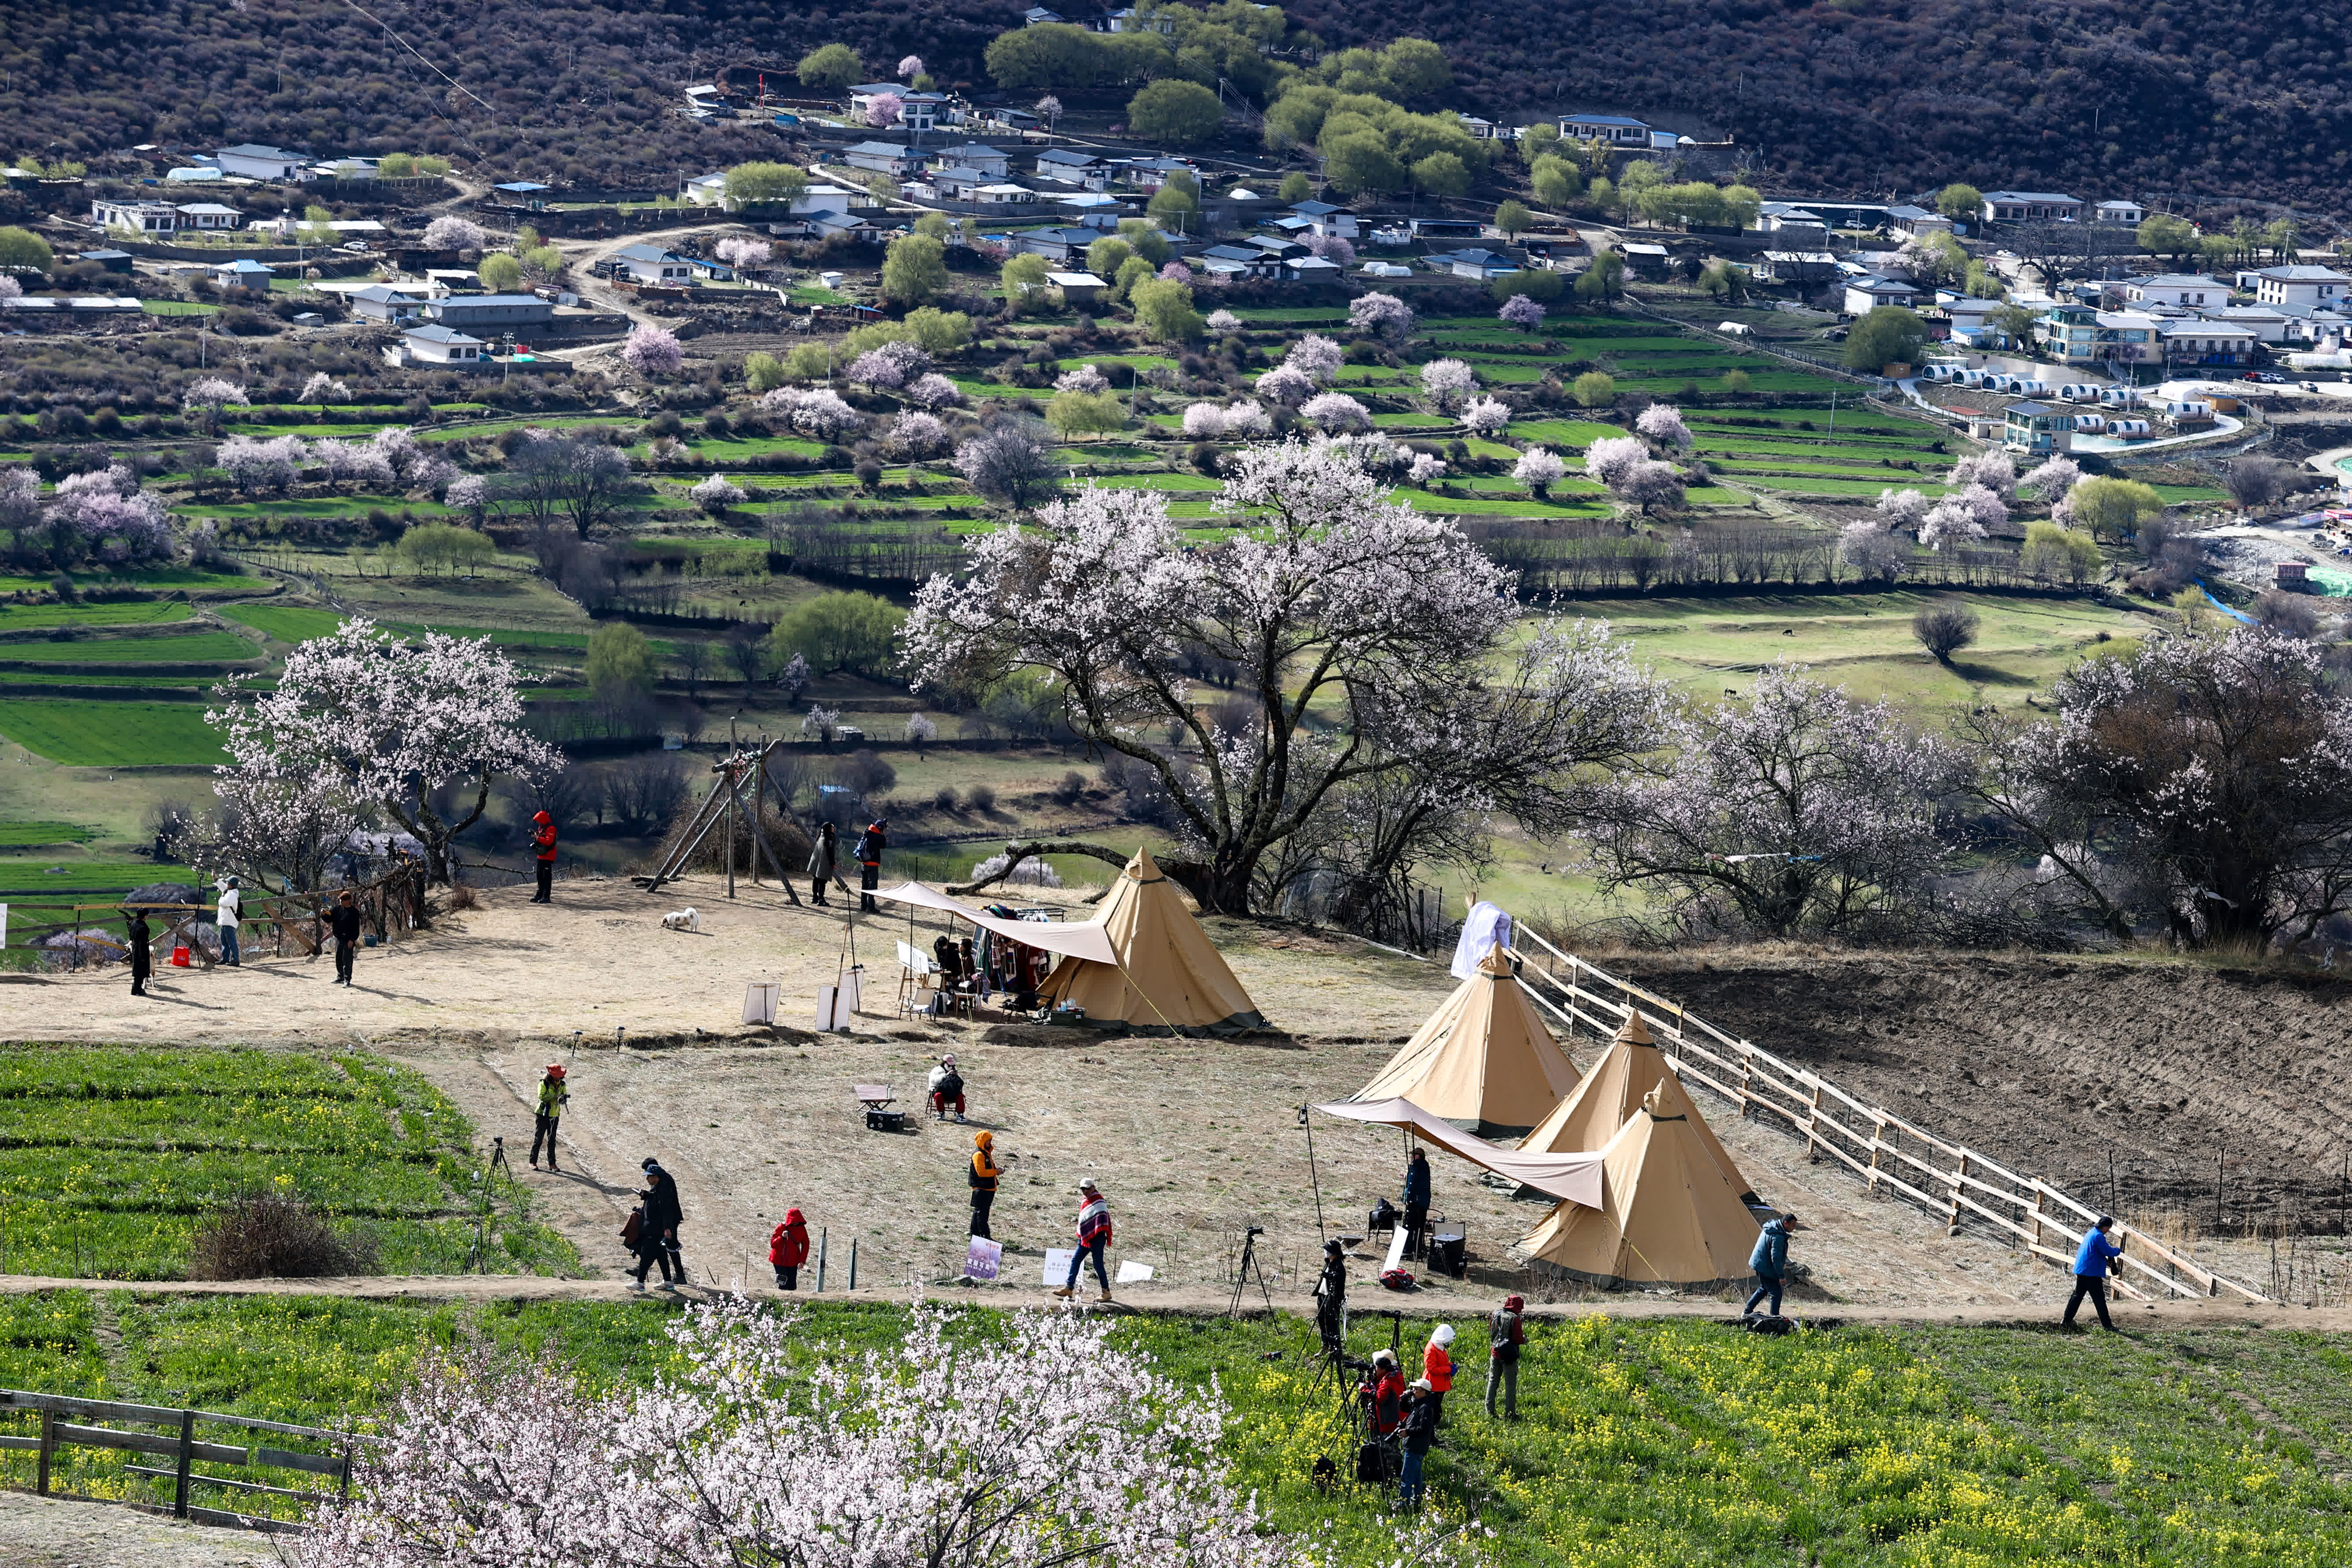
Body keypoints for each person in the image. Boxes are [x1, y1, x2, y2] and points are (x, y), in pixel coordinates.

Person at [1052, 1178, 1113, 1302]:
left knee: (1098, 1265)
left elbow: (1102, 1220)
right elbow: (1085, 1219)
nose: (1085, 1191)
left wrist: (1094, 1232)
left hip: (1097, 1238)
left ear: (1093, 1188)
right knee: (1076, 1260)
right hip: (1086, 1238)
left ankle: (1106, 1291)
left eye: (1087, 1188)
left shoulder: (1100, 1201)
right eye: (1083, 1189)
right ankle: (1069, 1288)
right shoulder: (1085, 1200)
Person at [2066, 1216, 2125, 1332]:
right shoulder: (2098, 1236)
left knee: (2077, 1297)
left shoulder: (2091, 1233)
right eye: (2109, 1228)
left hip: (2083, 1270)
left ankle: (2066, 1321)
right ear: (2107, 1227)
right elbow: (2108, 1251)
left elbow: (2096, 1252)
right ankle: (2107, 1326)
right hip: (2091, 1273)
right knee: (2100, 1300)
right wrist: (2118, 1250)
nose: (2108, 1231)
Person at [632, 1157, 684, 1291]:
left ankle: (679, 1275)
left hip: (666, 1221)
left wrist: (667, 1227)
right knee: (662, 1251)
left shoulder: (664, 1182)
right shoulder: (662, 1180)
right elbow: (657, 1197)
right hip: (663, 1222)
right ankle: (668, 1280)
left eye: (648, 1174)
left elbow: (665, 1205)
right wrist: (647, 1195)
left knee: (669, 1245)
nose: (647, 1179)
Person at [1745, 1212, 1805, 1318]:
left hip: (1760, 1264)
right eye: (1793, 1226)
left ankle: (1747, 1311)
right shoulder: (1778, 1237)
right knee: (1776, 1293)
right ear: (1785, 1223)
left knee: (1764, 1289)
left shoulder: (1773, 1227)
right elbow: (1776, 1259)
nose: (1794, 1228)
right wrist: (1781, 1276)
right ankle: (1774, 1318)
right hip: (1765, 1266)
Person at [1397, 1378, 1439, 1511]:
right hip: (1415, 1446)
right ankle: (1416, 1502)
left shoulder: (1425, 1408)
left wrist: (1408, 1432)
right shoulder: (1419, 1404)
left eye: (1417, 1390)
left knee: (1407, 1476)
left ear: (1424, 1392)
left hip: (1415, 1447)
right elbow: (1403, 1407)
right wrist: (1405, 1397)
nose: (1414, 1391)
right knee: (1415, 1477)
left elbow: (1425, 1429)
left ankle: (1403, 1504)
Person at [1486, 1293, 1526, 1420]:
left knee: (1493, 1382)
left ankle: (1490, 1411)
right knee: (1510, 1385)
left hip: (1495, 1352)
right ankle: (1510, 1414)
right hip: (1509, 1356)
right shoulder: (1515, 1319)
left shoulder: (1495, 1314)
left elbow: (1491, 1331)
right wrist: (1525, 1340)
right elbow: (1518, 1339)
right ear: (1517, 1307)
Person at [1313, 1238, 1348, 1360]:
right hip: (1322, 1296)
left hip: (1332, 1299)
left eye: (1327, 1250)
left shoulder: (1339, 1266)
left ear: (1333, 1252)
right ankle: (1326, 1345)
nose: (1325, 1252)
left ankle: (1336, 1350)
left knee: (1332, 1323)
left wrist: (1330, 1276)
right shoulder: (1328, 1262)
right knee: (1322, 1322)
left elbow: (1339, 1282)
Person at [530, 1063, 568, 1170]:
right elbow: (542, 1097)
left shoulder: (562, 1085)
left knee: (552, 1141)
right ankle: (533, 1162)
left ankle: (552, 1164)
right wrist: (555, 1097)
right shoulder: (544, 1084)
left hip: (555, 1115)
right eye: (558, 1075)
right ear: (552, 1075)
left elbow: (564, 1097)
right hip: (542, 1115)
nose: (559, 1077)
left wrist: (563, 1098)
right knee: (539, 1139)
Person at [969, 1129, 1001, 1240]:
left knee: (979, 1212)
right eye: (988, 1141)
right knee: (982, 1214)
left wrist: (996, 1171)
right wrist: (996, 1172)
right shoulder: (979, 1155)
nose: (990, 1144)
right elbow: (981, 1173)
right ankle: (984, 1237)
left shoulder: (986, 1154)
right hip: (982, 1189)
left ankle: (975, 1235)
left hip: (987, 1188)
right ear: (983, 1141)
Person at [1401, 1148, 1432, 1263]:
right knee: (1419, 1227)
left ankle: (1408, 1250)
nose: (1411, 1157)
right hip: (1423, 1202)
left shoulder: (1416, 1165)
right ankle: (1417, 1250)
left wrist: (1407, 1199)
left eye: (1413, 1155)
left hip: (1415, 1202)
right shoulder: (1425, 1166)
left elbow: (1413, 1184)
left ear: (1418, 1156)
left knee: (1409, 1226)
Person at [769, 1206, 810, 1290]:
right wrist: (782, 1237)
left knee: (792, 1286)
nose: (795, 1224)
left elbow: (806, 1244)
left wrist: (802, 1261)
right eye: (794, 1221)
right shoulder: (782, 1227)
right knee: (783, 1285)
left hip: (793, 1262)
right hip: (780, 1262)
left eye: (797, 1221)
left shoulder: (802, 1229)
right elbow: (773, 1244)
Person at [1422, 1323, 1454, 1425]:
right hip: (1434, 1385)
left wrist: (1451, 1365)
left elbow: (1441, 1362)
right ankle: (1431, 1434)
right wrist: (1449, 1369)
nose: (1448, 1345)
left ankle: (1432, 1432)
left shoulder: (1439, 1347)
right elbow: (1432, 1369)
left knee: (1437, 1408)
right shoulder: (1431, 1349)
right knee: (1434, 1411)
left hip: (1440, 1384)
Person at [328, 888, 361, 986]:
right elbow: (329, 918)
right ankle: (340, 977)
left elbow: (356, 928)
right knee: (339, 958)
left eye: (342, 900)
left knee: (347, 960)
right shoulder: (338, 909)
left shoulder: (354, 912)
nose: (340, 902)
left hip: (349, 939)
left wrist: (353, 940)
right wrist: (324, 914)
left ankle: (347, 980)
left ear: (348, 901)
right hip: (339, 938)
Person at [853, 818, 886, 914]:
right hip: (873, 864)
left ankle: (863, 905)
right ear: (881, 828)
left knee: (865, 885)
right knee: (872, 886)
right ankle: (871, 907)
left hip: (864, 864)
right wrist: (882, 834)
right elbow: (884, 845)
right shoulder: (878, 836)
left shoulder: (867, 833)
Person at [807, 821, 842, 908]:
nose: (834, 829)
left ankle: (815, 898)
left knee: (816, 879)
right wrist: (833, 864)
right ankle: (821, 900)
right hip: (823, 863)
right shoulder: (829, 838)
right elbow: (830, 852)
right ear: (829, 829)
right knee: (822, 881)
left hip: (816, 862)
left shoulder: (822, 836)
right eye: (833, 827)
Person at [928, 1054, 966, 1122]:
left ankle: (960, 1115)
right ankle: (941, 1113)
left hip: (952, 1092)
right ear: (944, 1063)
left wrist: (957, 1076)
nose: (951, 1067)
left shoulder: (954, 1070)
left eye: (952, 1065)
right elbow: (933, 1081)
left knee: (961, 1096)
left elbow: (961, 1083)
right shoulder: (937, 1070)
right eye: (949, 1065)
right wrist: (945, 1076)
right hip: (941, 1092)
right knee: (938, 1095)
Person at [530, 810, 557, 903]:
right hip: (541, 856)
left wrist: (537, 838)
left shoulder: (551, 829)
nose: (538, 822)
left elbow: (549, 841)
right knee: (540, 877)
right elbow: (542, 840)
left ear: (543, 820)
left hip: (548, 857)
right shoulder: (541, 828)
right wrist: (536, 837)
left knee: (547, 877)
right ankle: (539, 895)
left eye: (539, 820)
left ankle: (546, 897)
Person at [126, 907, 152, 997]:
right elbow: (143, 940)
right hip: (142, 949)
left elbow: (131, 937)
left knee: (137, 970)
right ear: (145, 916)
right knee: (141, 971)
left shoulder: (134, 924)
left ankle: (135, 988)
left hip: (136, 948)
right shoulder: (142, 927)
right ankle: (138, 989)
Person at [216, 877, 242, 968]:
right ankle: (225, 958)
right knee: (225, 941)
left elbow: (223, 903)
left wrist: (221, 897)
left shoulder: (233, 895)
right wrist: (216, 880)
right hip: (226, 921)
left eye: (228, 883)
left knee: (231, 941)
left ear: (231, 885)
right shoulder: (230, 892)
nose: (227, 884)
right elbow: (223, 887)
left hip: (229, 921)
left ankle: (235, 960)